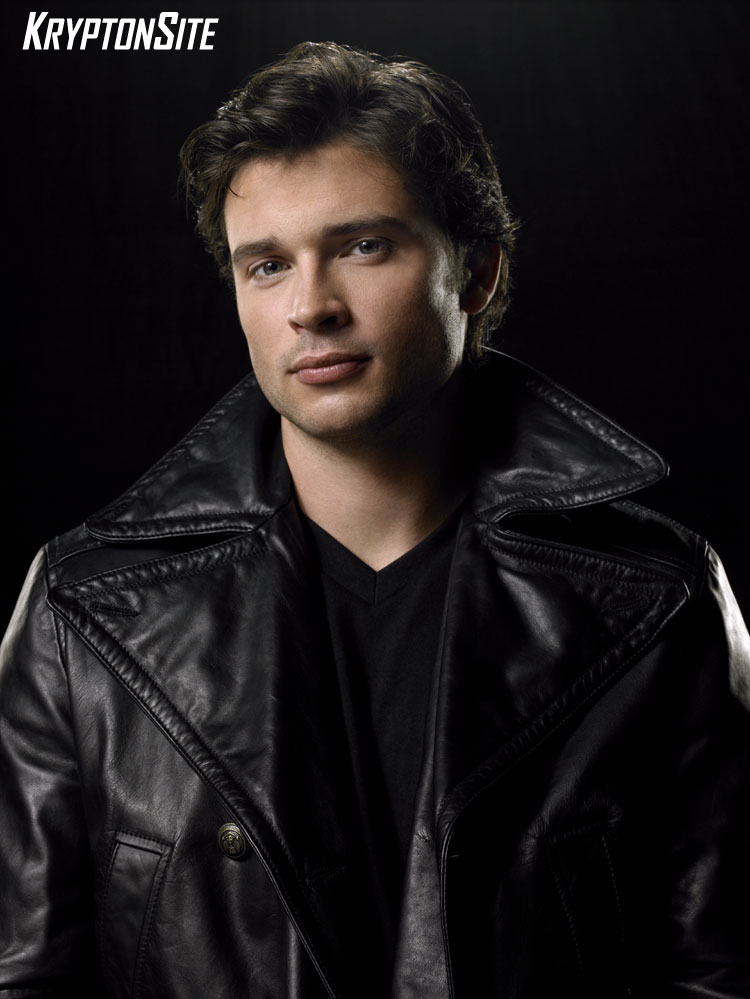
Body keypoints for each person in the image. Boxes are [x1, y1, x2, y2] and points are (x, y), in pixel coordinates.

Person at [1, 40, 748, 999]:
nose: (310, 307)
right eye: (268, 265)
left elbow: (721, 970)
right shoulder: (84, 610)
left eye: (363, 246)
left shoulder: (658, 599)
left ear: (475, 273)